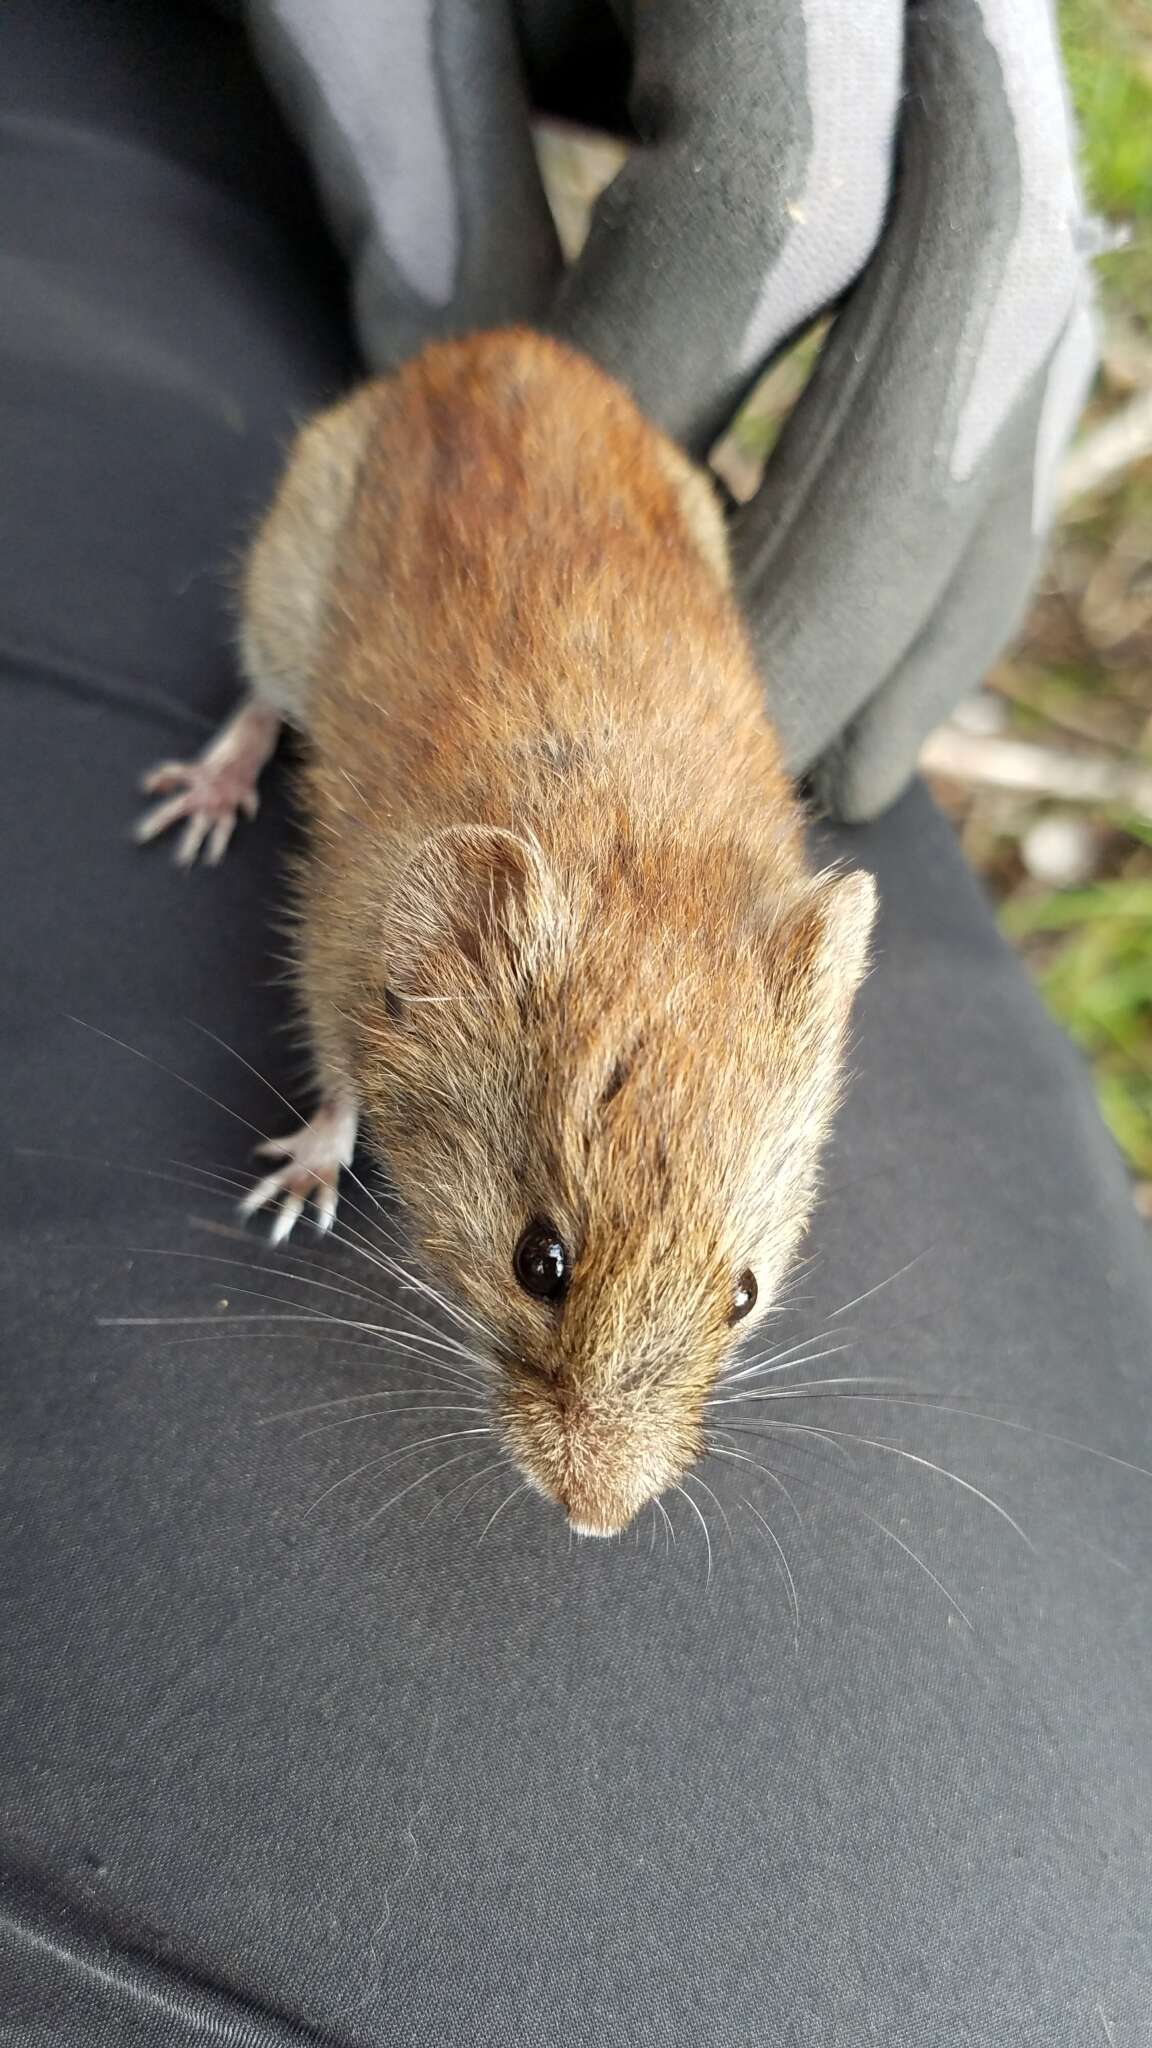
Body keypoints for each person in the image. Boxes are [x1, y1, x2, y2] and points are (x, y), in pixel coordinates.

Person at [1, 3, 1148, 2041]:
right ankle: (259, 698)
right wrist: (346, 1120)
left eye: (719, 1306)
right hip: (377, 458)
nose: (604, 1469)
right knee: (286, 625)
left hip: (605, 552)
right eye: (548, 1274)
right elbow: (364, 972)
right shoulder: (446, 934)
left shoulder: (778, 974)